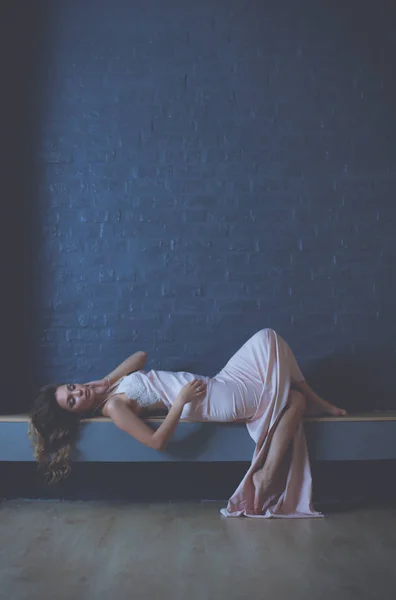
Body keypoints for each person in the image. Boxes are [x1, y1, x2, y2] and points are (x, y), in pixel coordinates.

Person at [28, 328, 347, 518]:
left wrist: (102, 381)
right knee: (274, 353)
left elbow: (140, 355)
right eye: (72, 401)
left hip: (219, 381)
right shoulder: (113, 407)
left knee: (271, 347)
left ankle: (278, 456)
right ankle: (267, 474)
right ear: (75, 413)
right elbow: (156, 442)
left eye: (71, 388)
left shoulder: (108, 389)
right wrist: (178, 403)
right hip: (213, 401)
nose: (76, 392)